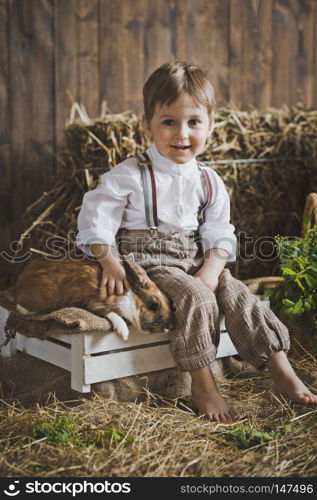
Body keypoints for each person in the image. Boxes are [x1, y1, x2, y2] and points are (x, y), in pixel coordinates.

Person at [76, 60, 317, 422]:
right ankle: (203, 385)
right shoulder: (128, 174)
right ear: (148, 124)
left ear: (211, 124)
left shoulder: (208, 180)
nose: (182, 133)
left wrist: (213, 267)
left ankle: (280, 369)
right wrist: (108, 259)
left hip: (192, 258)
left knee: (237, 292)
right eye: (169, 122)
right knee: (196, 294)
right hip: (148, 261)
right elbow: (95, 219)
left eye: (193, 122)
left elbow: (220, 232)